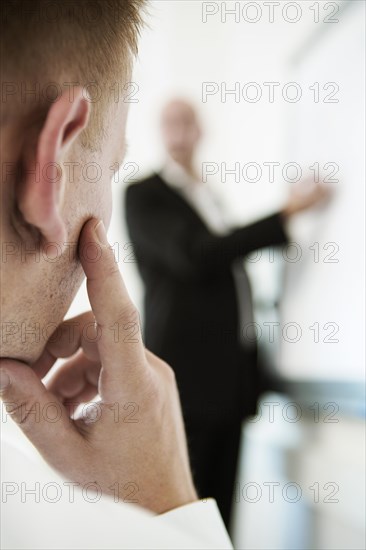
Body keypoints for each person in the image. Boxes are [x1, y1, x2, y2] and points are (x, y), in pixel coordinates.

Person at [0, 2, 233, 548]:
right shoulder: (52, 524)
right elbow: (200, 255)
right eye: (108, 166)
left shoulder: (212, 196)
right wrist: (172, 512)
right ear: (49, 166)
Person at [125, 99, 330, 528]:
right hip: (186, 379)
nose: (180, 130)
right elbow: (196, 255)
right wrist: (285, 214)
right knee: (185, 518)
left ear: (201, 130)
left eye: (188, 121)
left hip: (229, 381)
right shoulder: (145, 194)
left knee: (221, 514)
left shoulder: (209, 197)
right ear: (160, 132)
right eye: (171, 121)